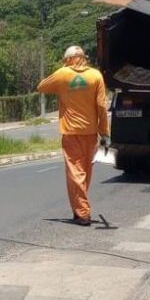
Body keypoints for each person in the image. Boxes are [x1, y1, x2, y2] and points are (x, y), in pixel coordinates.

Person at [37, 45, 110, 226]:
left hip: (71, 133)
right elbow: (102, 106)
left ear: (67, 59)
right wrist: (105, 133)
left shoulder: (63, 74)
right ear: (84, 57)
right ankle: (79, 210)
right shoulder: (95, 76)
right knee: (84, 173)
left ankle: (83, 213)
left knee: (75, 173)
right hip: (91, 133)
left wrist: (64, 71)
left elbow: (41, 86)